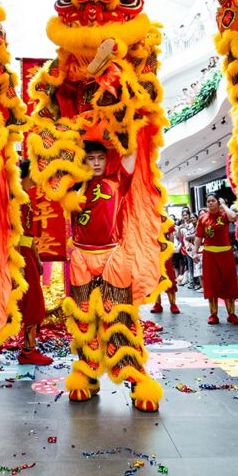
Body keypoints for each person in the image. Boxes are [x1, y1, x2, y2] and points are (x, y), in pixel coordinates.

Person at [64, 141, 163, 412]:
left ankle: (133, 376)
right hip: (81, 258)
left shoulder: (118, 181)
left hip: (112, 257)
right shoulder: (73, 185)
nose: (95, 163)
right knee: (84, 320)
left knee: (120, 319)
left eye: (100, 158)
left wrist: (127, 123)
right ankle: (87, 374)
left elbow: (131, 151)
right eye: (90, 158)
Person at [17, 160, 52, 366]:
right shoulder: (15, 196)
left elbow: (29, 234)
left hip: (28, 251)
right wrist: (19, 262)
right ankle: (28, 349)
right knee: (32, 302)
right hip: (19, 253)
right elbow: (11, 231)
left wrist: (37, 257)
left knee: (34, 300)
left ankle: (29, 346)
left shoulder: (27, 197)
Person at [194, 193, 238, 325]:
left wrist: (224, 205)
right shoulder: (202, 218)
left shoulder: (224, 215)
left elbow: (234, 217)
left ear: (218, 202)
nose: (210, 203)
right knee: (212, 285)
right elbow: (198, 237)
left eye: (213, 201)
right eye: (208, 201)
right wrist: (194, 252)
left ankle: (231, 314)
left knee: (229, 283)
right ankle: (213, 314)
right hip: (209, 255)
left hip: (226, 254)